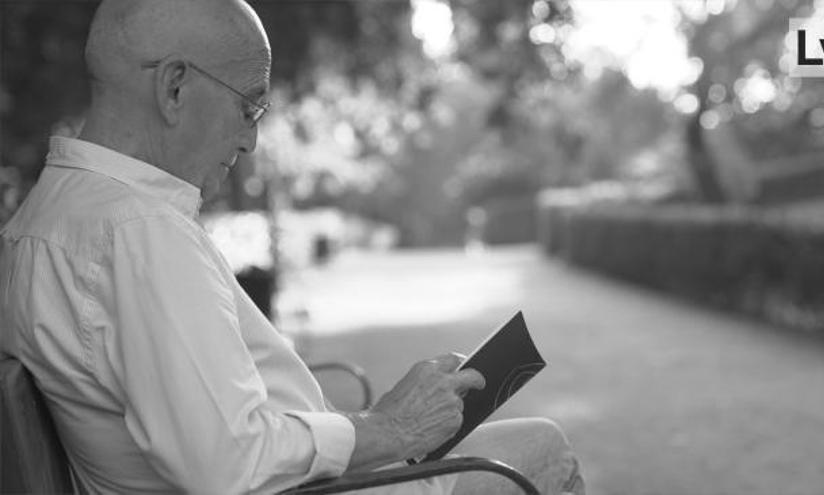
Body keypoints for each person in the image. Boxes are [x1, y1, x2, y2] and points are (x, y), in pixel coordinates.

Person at [0, 1, 585, 493]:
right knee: (541, 449)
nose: (251, 139)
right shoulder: (138, 231)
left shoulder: (43, 216)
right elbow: (227, 463)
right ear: (175, 86)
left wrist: (375, 425)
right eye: (248, 105)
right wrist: (390, 427)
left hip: (306, 476)